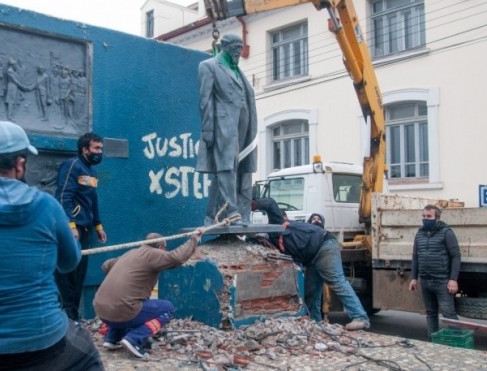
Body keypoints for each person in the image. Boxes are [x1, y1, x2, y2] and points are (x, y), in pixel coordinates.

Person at [0, 121, 103, 370]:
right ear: (19, 164)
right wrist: (69, 235)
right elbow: (69, 262)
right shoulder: (46, 207)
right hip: (41, 343)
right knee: (87, 355)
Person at [252, 198, 370, 330]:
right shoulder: (277, 246)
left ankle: (360, 317)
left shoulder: (276, 225)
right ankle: (315, 323)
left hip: (324, 246)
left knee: (337, 282)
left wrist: (251, 204)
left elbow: (270, 203)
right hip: (313, 257)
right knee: (311, 292)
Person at [93, 228, 204, 358]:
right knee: (167, 308)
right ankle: (134, 339)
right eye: (164, 249)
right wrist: (194, 240)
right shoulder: (153, 254)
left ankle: (112, 338)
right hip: (122, 311)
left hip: (101, 311)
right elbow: (176, 258)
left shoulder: (129, 253)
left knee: (130, 302)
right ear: (161, 247)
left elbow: (105, 265)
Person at [196, 33, 257, 226]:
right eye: (236, 48)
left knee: (242, 167)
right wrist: (208, 129)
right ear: (225, 46)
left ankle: (234, 212)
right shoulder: (209, 66)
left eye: (240, 48)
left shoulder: (237, 70)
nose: (239, 52)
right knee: (226, 167)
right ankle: (231, 212)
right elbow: (205, 100)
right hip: (223, 124)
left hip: (244, 125)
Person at [55, 132, 107, 321]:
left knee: (79, 276)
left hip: (85, 230)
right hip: (71, 231)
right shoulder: (72, 165)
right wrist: (70, 225)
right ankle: (66, 318)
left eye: (101, 149)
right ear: (85, 149)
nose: (99, 152)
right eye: (96, 148)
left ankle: (73, 317)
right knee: (66, 276)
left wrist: (98, 226)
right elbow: (63, 196)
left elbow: (93, 200)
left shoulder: (92, 172)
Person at [408, 204, 461, 340]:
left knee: (448, 313)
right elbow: (415, 256)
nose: (426, 219)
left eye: (429, 216)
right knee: (430, 313)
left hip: (442, 281)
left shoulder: (446, 232)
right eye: (424, 216)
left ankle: (457, 342)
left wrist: (453, 279)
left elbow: (456, 256)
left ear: (437, 218)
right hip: (425, 280)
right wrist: (414, 278)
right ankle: (433, 341)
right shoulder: (419, 234)